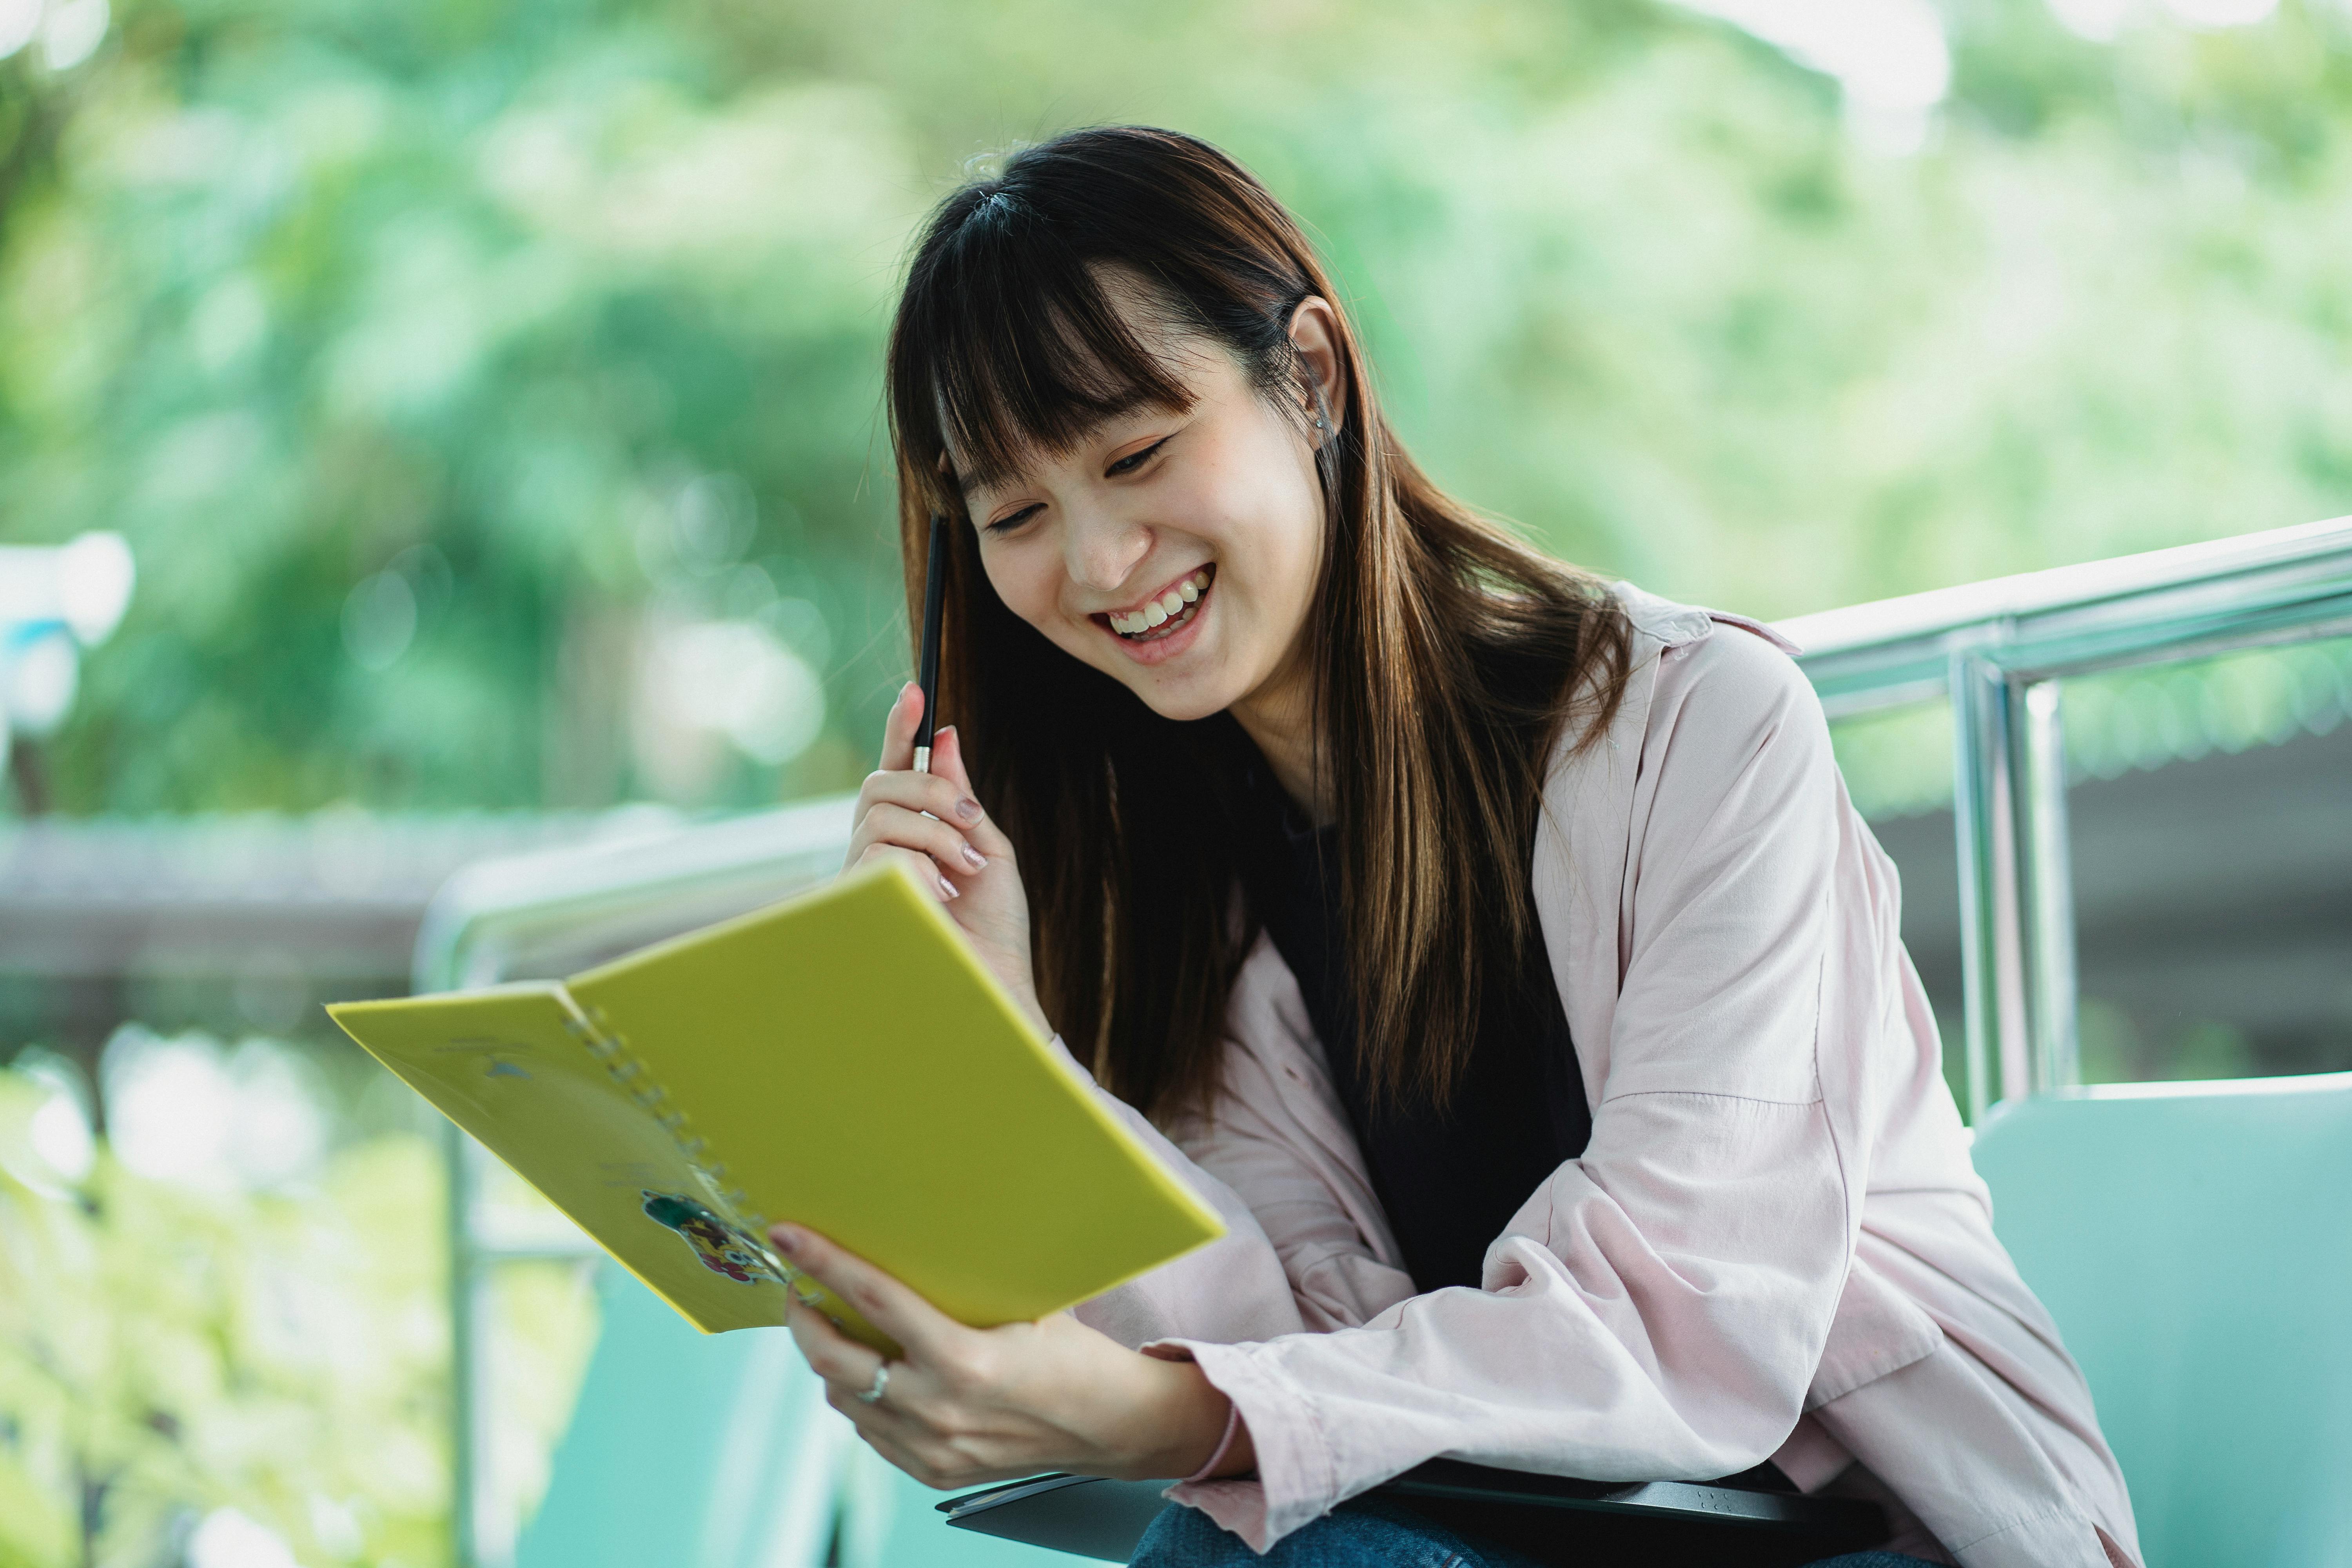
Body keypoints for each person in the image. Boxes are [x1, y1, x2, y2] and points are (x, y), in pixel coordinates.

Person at [768, 125, 2141, 1568]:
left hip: (1862, 1525)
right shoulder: (1183, 881)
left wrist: (1162, 1419)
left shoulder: (1707, 732)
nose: (1099, 560)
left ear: (1307, 377)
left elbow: (1687, 1330)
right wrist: (996, 1043)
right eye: (1017, 513)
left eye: (1139, 452)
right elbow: (1303, 1371)